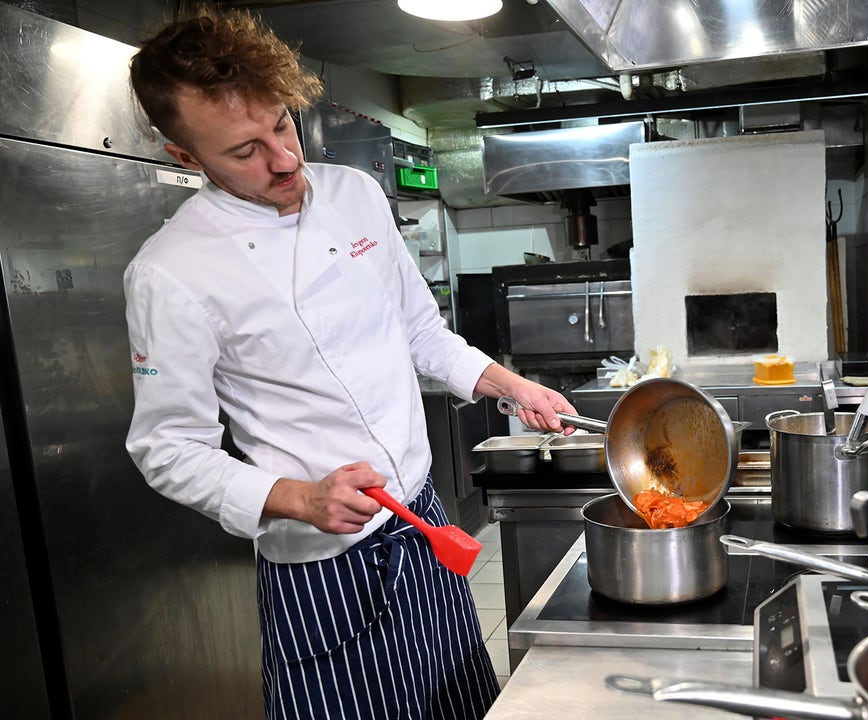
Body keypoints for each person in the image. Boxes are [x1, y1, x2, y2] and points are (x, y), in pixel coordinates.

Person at [124, 10, 576, 719]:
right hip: (322, 567)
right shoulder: (171, 271)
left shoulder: (353, 193)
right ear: (185, 156)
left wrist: (512, 386)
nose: (283, 160)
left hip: (425, 530)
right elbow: (167, 448)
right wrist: (299, 499)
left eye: (283, 125)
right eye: (244, 151)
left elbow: (420, 331)